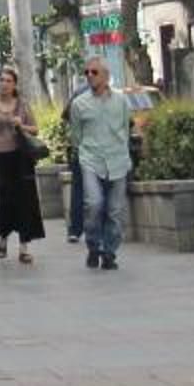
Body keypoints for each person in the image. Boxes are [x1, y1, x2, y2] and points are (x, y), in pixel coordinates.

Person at [67, 58, 140, 273]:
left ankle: (109, 253)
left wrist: (123, 152)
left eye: (94, 72)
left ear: (106, 76)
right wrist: (83, 154)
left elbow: (125, 130)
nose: (89, 76)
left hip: (118, 160)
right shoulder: (79, 104)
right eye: (87, 72)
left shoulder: (122, 101)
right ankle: (93, 246)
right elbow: (76, 136)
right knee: (94, 203)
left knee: (115, 211)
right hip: (91, 160)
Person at [0, 66, 47, 264]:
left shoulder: (22, 105)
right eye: (1, 80)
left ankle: (24, 247)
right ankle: (3, 237)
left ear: (15, 84)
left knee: (25, 200)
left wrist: (21, 124)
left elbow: (35, 129)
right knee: (6, 199)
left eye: (8, 81)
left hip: (21, 156)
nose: (4, 84)